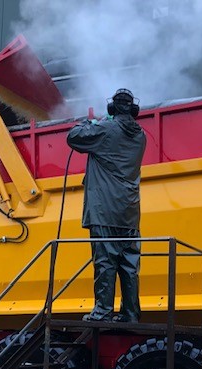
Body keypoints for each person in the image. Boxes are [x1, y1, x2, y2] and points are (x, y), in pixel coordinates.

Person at [66, 89, 147, 323]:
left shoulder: (106, 129)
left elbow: (74, 137)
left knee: (105, 261)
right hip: (129, 212)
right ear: (133, 110)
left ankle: (102, 311)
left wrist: (88, 122)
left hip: (104, 210)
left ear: (113, 108)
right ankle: (130, 313)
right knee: (129, 264)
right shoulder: (140, 135)